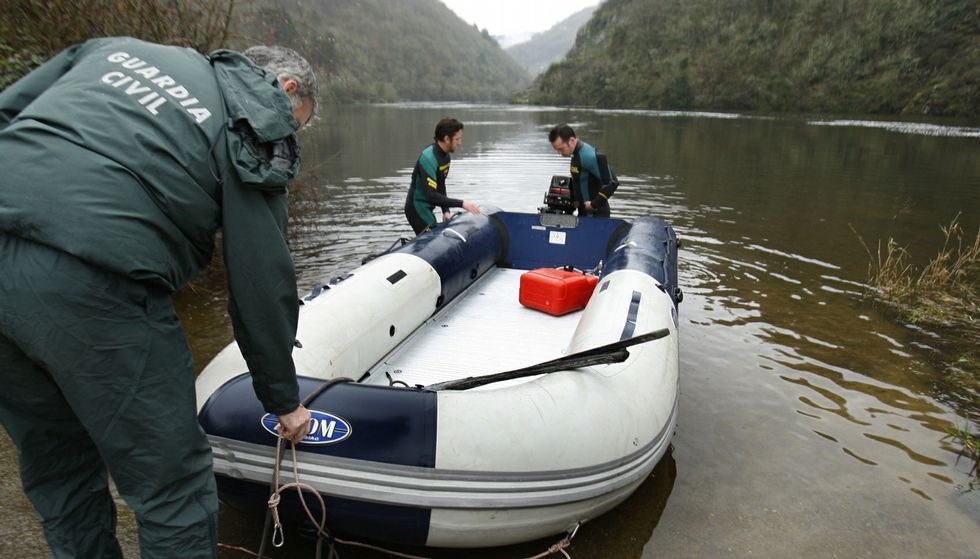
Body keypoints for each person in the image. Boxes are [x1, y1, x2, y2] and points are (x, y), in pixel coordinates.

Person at [0, 37, 317, 558]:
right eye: (298, 122)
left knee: (59, 470)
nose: (291, 133)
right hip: (96, 278)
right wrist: (281, 397)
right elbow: (261, 279)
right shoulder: (258, 113)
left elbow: (10, 112)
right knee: (173, 489)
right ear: (286, 89)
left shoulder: (111, 48)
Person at [404, 117, 481, 235]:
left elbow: (441, 186)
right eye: (457, 139)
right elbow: (431, 195)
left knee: (434, 237)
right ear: (446, 139)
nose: (460, 143)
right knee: (431, 240)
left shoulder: (445, 157)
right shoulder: (428, 158)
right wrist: (462, 203)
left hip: (428, 208)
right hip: (417, 209)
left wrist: (445, 211)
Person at [548, 124, 619, 218]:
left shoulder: (589, 156)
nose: (559, 153)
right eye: (557, 150)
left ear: (572, 141)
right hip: (583, 214)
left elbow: (612, 182)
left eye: (561, 149)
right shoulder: (575, 154)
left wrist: (594, 204)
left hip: (596, 217)